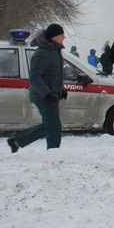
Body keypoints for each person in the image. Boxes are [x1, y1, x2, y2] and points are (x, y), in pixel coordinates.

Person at [8, 24, 68, 152]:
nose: (64, 37)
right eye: (61, 35)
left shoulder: (54, 51)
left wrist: (61, 89)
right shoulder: (43, 53)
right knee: (53, 126)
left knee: (50, 125)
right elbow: (35, 76)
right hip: (43, 96)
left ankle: (17, 141)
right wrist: (46, 94)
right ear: (55, 37)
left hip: (51, 94)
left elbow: (55, 74)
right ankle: (53, 153)